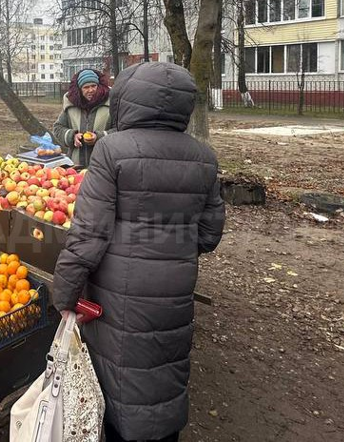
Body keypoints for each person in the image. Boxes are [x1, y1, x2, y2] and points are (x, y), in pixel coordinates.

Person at [51, 62, 226, 442]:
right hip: (176, 287)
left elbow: (88, 235)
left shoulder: (113, 151)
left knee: (121, 378)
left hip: (119, 292)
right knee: (165, 366)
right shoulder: (204, 157)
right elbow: (210, 235)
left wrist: (63, 296)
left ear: (125, 101)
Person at [53, 69, 111, 168]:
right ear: (80, 89)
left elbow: (120, 131)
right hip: (75, 166)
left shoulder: (110, 104)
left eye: (94, 86)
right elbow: (58, 128)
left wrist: (99, 137)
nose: (91, 90)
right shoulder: (71, 105)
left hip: (104, 166)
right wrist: (72, 136)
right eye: (86, 87)